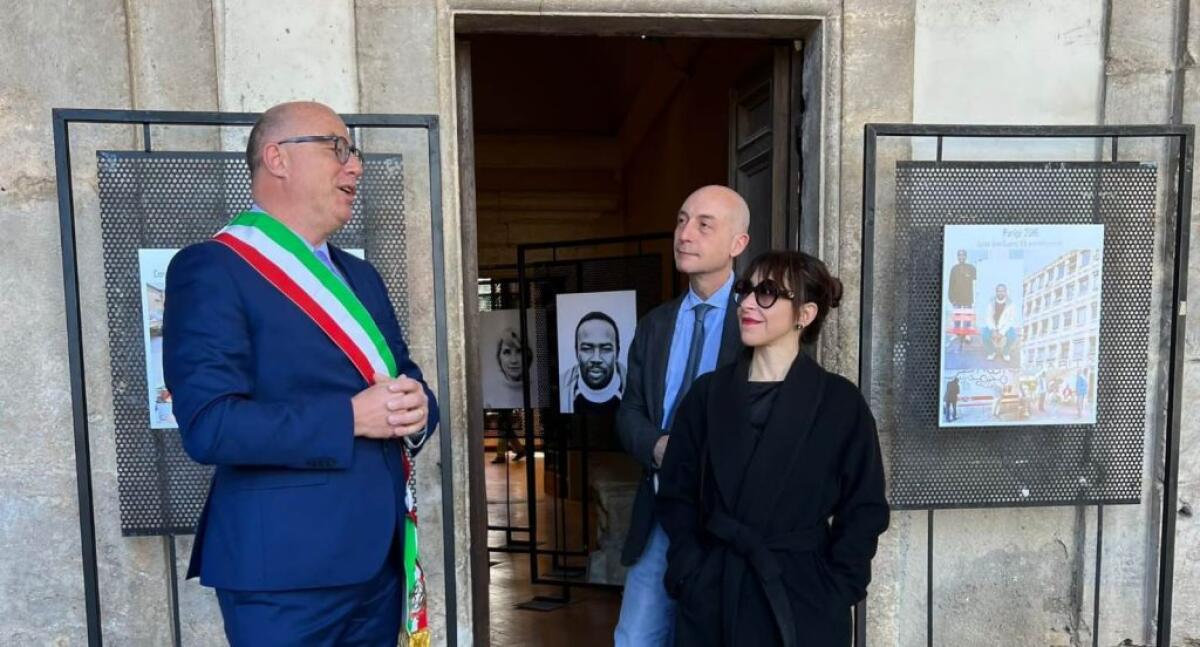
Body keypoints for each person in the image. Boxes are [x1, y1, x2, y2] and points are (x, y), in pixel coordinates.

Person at [163, 101, 439, 646]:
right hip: (282, 576)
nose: (354, 165)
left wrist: (417, 407)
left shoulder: (360, 276)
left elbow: (402, 375)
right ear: (277, 158)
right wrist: (349, 418)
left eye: (354, 151)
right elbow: (210, 425)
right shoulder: (212, 268)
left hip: (379, 565)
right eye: (337, 148)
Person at [657, 250, 889, 647]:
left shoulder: (839, 404)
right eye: (745, 290)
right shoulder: (706, 396)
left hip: (802, 598)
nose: (747, 303)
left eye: (767, 293)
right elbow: (677, 494)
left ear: (805, 313)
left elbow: (864, 508)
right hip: (715, 594)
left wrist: (838, 587)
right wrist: (690, 571)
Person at [613, 185, 750, 646]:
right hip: (658, 515)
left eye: (704, 224)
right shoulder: (655, 324)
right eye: (681, 220)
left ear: (738, 244)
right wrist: (658, 446)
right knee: (635, 638)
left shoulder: (756, 322)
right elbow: (629, 410)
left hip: (727, 522)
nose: (685, 234)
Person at [560, 311, 627, 414]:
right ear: (576, 352)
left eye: (605, 349)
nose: (596, 359)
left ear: (617, 352)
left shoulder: (635, 388)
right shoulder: (560, 388)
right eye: (587, 348)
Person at [491, 328, 527, 463]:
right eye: (507, 352)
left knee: (504, 427)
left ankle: (502, 454)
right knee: (506, 428)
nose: (513, 360)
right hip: (505, 402)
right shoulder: (498, 379)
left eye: (518, 352)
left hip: (506, 403)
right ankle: (518, 449)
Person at [980, 283, 1018, 362]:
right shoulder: (991, 302)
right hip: (993, 326)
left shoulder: (1011, 303)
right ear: (996, 292)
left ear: (1005, 292)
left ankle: (1005, 352)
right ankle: (992, 352)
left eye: (1002, 291)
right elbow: (988, 317)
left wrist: (1002, 332)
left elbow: (1011, 320)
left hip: (1004, 326)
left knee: (1013, 336)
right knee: (984, 335)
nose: (1000, 293)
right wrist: (993, 329)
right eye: (999, 291)